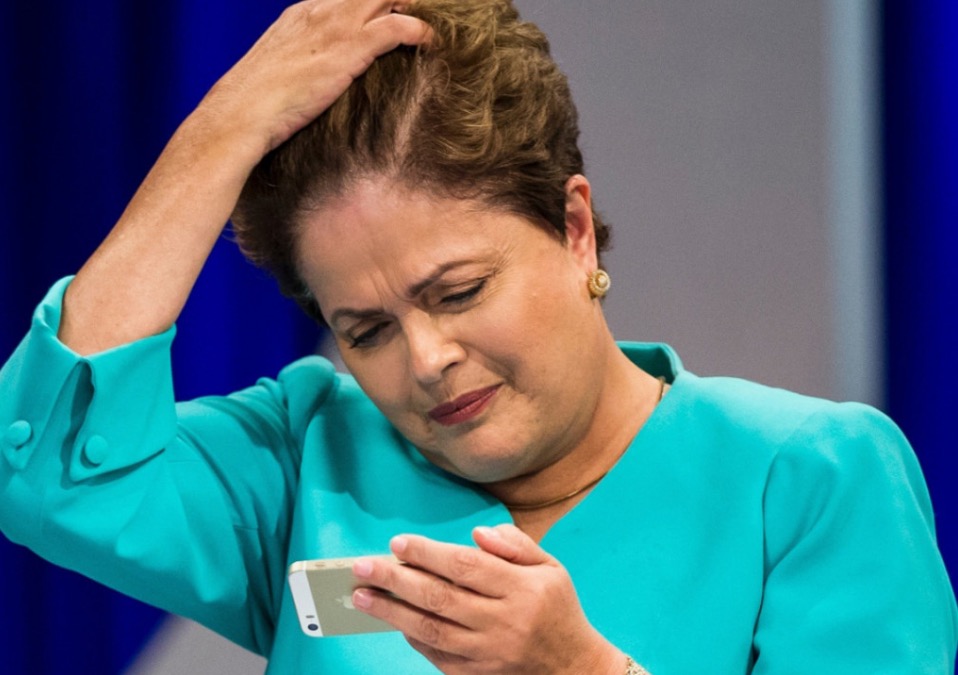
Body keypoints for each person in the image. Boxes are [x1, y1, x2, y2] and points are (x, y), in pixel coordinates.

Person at [0, 0, 955, 672]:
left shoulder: (811, 475)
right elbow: (46, 473)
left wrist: (580, 671)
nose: (426, 360)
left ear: (573, 228)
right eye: (366, 329)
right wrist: (223, 128)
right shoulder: (308, 458)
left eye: (458, 291)